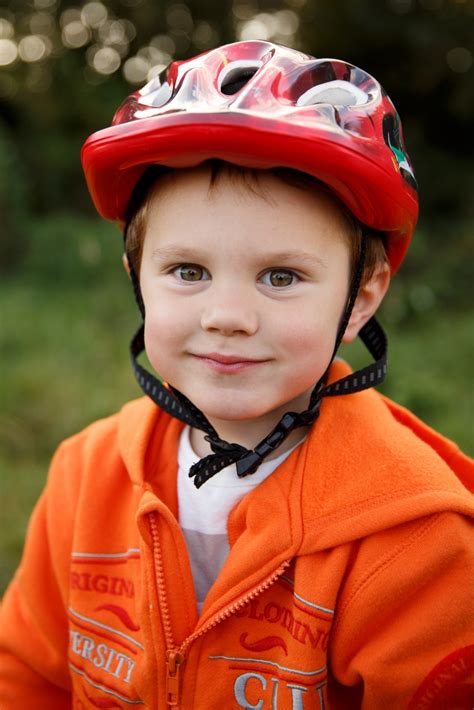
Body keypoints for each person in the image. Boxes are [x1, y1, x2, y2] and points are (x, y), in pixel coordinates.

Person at [0, 40, 472, 710]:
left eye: (281, 276)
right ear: (138, 278)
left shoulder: (419, 541)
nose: (227, 316)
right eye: (188, 271)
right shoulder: (86, 477)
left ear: (360, 297)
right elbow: (27, 678)